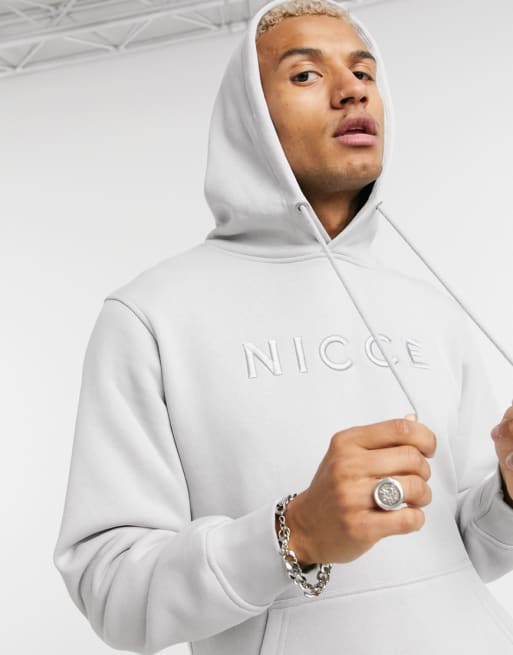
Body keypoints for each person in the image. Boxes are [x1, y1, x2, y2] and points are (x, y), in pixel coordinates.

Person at [53, 0, 513, 653]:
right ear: (249, 118)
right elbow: (111, 590)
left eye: (364, 72)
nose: (352, 89)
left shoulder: (429, 306)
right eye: (305, 74)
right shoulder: (150, 316)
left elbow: (467, 551)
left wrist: (506, 494)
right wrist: (294, 532)